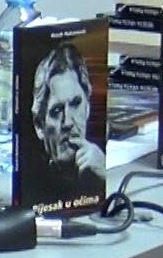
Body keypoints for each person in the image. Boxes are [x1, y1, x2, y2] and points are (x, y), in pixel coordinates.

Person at [27, 43, 106, 200]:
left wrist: (103, 174)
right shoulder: (32, 189)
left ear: (88, 107)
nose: (68, 122)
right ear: (39, 126)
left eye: (76, 104)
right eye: (57, 111)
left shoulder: (103, 170)